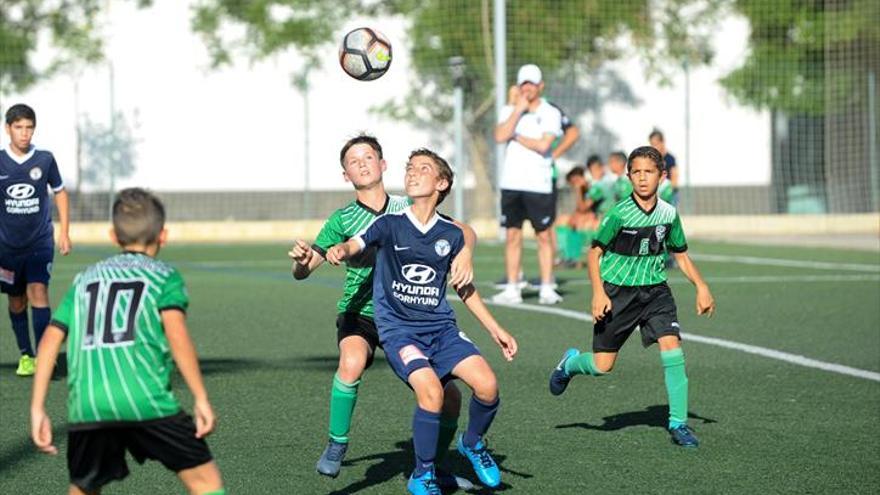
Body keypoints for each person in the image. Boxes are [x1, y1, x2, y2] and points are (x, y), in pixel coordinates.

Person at [326, 148, 518, 495]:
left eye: (423, 169)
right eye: (410, 168)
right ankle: (423, 473)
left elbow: (467, 289)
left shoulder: (451, 234)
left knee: (488, 386)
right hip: (400, 331)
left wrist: (495, 329)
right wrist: (342, 250)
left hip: (441, 328)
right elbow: (358, 242)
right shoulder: (390, 223)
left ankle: (472, 444)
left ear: (441, 183)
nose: (412, 173)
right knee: (431, 393)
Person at [288, 134, 475, 488]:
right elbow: (306, 268)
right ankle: (336, 444)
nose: (362, 163)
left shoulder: (410, 206)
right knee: (352, 362)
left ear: (383, 164)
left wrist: (464, 253)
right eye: (353, 161)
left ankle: (433, 467)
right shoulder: (342, 219)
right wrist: (301, 262)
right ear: (346, 175)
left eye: (368, 156)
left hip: (409, 317)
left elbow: (463, 231)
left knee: (449, 397)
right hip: (360, 312)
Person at [30, 188, 225, 494]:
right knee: (206, 482)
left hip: (89, 406)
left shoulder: (84, 279)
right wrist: (200, 397)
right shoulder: (163, 277)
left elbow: (50, 340)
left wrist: (37, 407)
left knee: (82, 488)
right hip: (146, 401)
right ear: (163, 236)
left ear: (112, 236)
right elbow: (177, 334)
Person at [548, 146, 716, 448]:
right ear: (628, 176)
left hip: (655, 292)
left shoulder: (668, 214)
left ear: (661, 176)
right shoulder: (618, 214)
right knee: (603, 365)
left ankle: (678, 423)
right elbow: (593, 253)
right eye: (636, 172)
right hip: (617, 295)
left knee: (671, 346)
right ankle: (569, 365)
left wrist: (701, 286)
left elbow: (681, 255)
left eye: (649, 172)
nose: (642, 178)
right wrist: (598, 293)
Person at [0, 103, 72, 377]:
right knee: (16, 301)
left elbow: (60, 192)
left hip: (39, 241)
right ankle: (26, 355)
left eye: (29, 127)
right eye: (18, 127)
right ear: (8, 129)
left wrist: (64, 231)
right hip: (6, 246)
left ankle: (45, 354)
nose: (24, 133)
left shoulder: (45, 159)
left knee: (38, 291)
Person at [492, 64, 564, 305]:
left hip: (538, 184)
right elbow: (500, 136)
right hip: (512, 183)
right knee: (512, 235)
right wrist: (517, 111)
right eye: (524, 83)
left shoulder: (550, 112)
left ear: (540, 86)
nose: (527, 88)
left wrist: (517, 136)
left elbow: (545, 145)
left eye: (532, 83)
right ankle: (513, 288)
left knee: (543, 236)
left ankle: (546, 287)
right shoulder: (509, 111)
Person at [649, 129, 679, 205]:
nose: (654, 147)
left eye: (656, 144)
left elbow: (674, 178)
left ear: (663, 142)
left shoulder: (670, 158)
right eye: (652, 144)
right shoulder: (651, 160)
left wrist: (667, 192)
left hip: (669, 193)